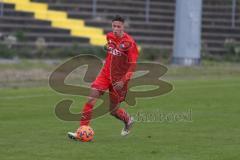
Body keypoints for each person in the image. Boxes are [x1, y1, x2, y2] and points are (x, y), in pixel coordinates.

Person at [68, 15, 139, 139]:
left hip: (119, 80)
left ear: (123, 27)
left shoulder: (130, 43)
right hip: (105, 74)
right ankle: (81, 131)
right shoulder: (109, 36)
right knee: (91, 99)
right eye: (114, 26)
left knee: (113, 110)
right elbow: (111, 50)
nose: (116, 29)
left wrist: (123, 80)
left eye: (119, 26)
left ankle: (127, 120)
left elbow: (132, 66)